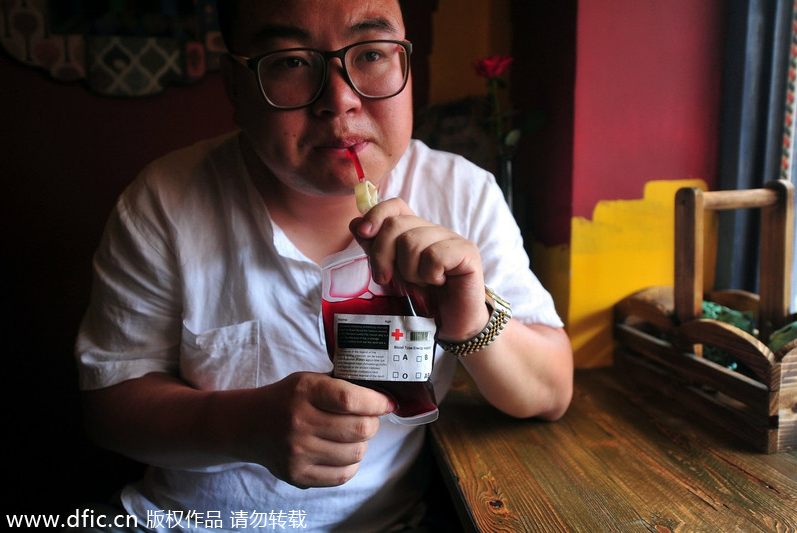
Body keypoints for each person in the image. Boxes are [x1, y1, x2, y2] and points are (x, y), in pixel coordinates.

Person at [74, 0, 574, 531]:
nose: (340, 101)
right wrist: (242, 425)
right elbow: (107, 408)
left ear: (408, 67)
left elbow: (550, 392)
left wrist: (471, 320)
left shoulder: (460, 194)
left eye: (373, 54)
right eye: (291, 61)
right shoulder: (164, 202)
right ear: (236, 87)